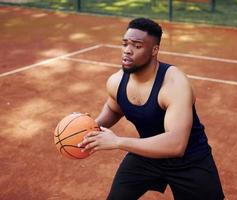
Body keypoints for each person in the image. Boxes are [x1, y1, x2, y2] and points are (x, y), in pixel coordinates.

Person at [78, 17, 224, 200]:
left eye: (137, 46)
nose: (127, 51)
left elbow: (176, 144)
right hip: (147, 153)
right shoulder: (117, 81)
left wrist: (117, 142)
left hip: (190, 161)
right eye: (125, 44)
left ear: (155, 50)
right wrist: (91, 126)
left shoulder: (174, 84)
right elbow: (114, 108)